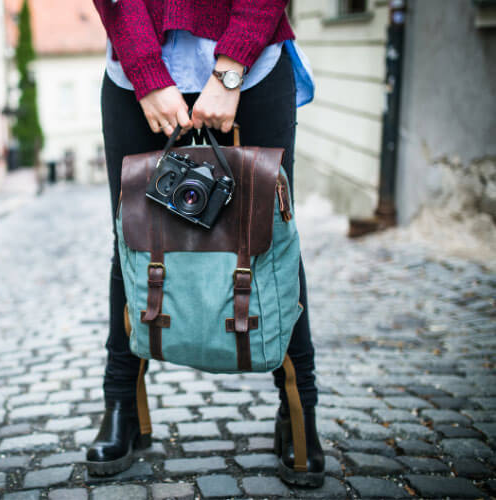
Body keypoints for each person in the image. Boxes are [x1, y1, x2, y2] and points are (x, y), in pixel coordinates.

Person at [86, 0, 324, 488]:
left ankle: (299, 410)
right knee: (132, 240)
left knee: (273, 238)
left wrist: (231, 67)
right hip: (137, 72)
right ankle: (121, 406)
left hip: (253, 65)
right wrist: (147, 72)